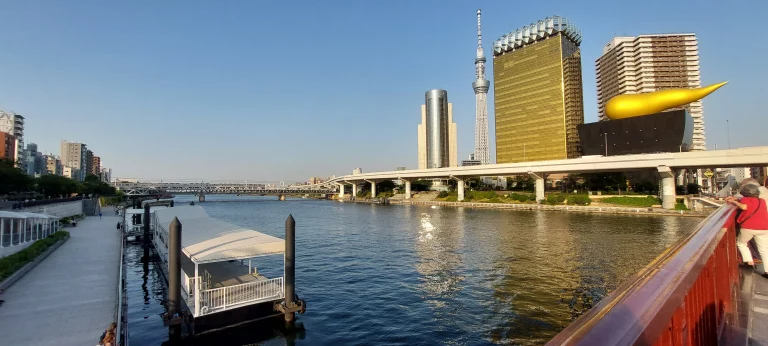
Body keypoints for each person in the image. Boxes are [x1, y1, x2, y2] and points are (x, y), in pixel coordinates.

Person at [726, 184, 768, 278]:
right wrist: (736, 199)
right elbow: (751, 204)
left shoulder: (745, 200)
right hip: (764, 228)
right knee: (764, 250)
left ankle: (749, 262)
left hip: (749, 227)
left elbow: (745, 207)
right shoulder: (762, 201)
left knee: (741, 242)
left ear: (744, 193)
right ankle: (767, 271)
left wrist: (735, 201)